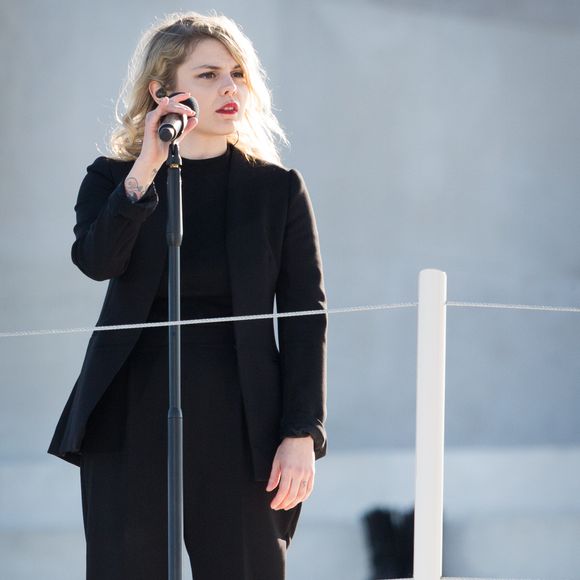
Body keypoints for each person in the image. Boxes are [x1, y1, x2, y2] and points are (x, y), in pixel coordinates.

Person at [47, 10, 327, 580]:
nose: (230, 88)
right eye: (208, 75)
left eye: (238, 74)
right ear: (162, 92)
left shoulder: (277, 190)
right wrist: (148, 165)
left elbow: (305, 318)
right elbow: (97, 262)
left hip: (246, 421)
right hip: (128, 413)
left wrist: (302, 431)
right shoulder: (113, 178)